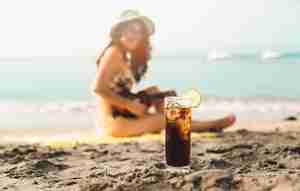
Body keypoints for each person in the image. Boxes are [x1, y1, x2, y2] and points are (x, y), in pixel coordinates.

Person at [91, 10, 236, 137]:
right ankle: (207, 126)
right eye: (130, 30)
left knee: (156, 93)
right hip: (113, 124)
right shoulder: (113, 52)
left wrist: (138, 103)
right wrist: (130, 105)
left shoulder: (123, 54)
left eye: (139, 32)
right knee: (164, 119)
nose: (134, 35)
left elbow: (119, 91)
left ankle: (186, 124)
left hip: (124, 115)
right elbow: (98, 89)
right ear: (119, 31)